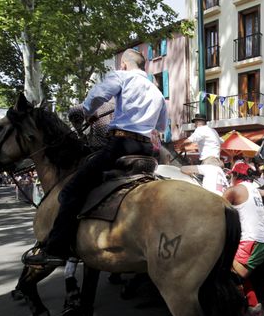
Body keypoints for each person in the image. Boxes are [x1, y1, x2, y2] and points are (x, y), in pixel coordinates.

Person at [25, 48, 166, 266]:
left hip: (121, 145)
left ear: (124, 64)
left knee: (72, 190)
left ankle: (56, 249)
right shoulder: (157, 91)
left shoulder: (122, 76)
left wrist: (88, 112)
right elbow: (161, 125)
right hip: (146, 149)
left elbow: (96, 97)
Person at [223, 162, 264, 316]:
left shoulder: (233, 190)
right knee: (241, 274)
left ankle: (239, 312)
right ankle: (254, 306)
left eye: (232, 175)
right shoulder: (255, 189)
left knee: (232, 273)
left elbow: (216, 208)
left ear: (236, 175)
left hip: (250, 241)